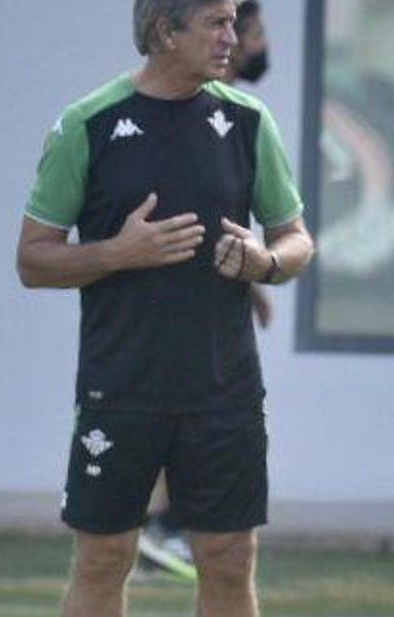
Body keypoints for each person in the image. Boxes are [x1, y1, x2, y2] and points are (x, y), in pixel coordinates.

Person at [15, 0, 314, 617]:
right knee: (103, 560)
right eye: (216, 22)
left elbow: (296, 240)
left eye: (233, 21)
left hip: (223, 390)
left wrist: (263, 259)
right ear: (165, 29)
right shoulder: (90, 123)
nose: (233, 38)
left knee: (228, 561)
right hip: (120, 387)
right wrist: (119, 252)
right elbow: (33, 259)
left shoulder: (250, 122)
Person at [137, 0, 273, 581]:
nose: (248, 40)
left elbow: (231, 215)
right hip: (157, 305)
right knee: (170, 396)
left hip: (218, 298)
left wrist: (258, 272)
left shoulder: (242, 113)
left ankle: (172, 527)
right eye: (244, 29)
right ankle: (162, 527)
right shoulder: (179, 100)